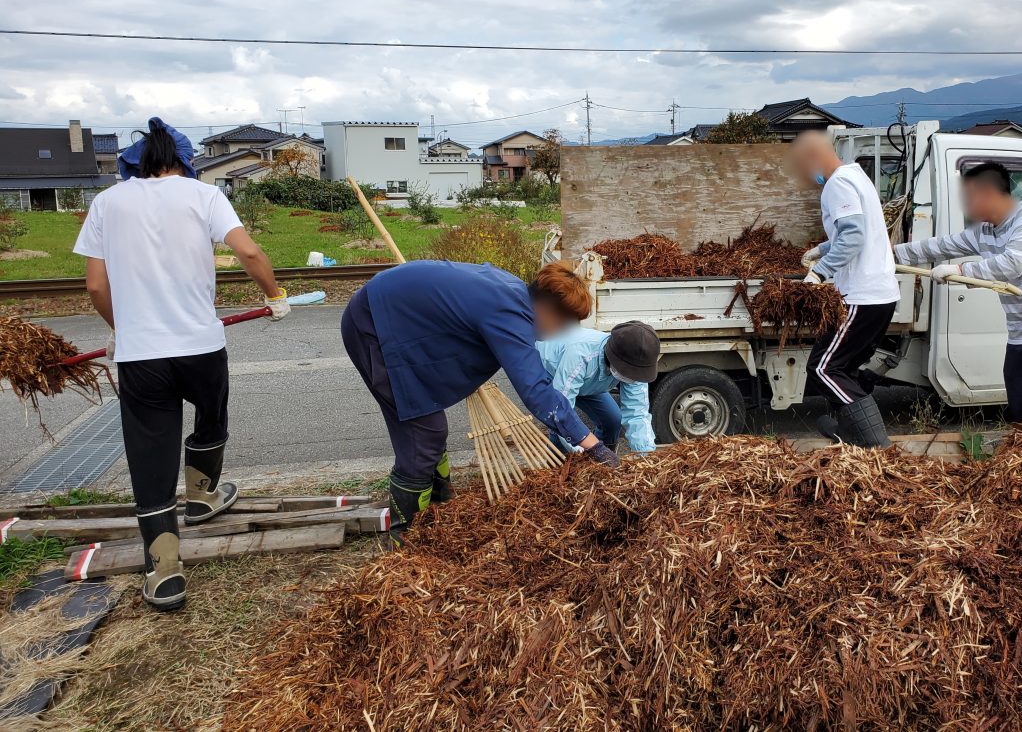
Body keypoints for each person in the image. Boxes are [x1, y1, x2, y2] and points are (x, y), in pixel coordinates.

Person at [74, 118, 289, 611]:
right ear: (186, 160)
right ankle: (203, 496)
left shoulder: (107, 203)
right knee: (212, 416)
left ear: (135, 164)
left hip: (141, 356)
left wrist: (119, 328)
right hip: (200, 345)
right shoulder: (203, 195)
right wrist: (275, 296)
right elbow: (250, 252)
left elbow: (96, 287)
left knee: (150, 453)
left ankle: (165, 571)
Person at [340, 259, 621, 543]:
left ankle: (439, 509)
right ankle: (405, 541)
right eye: (562, 324)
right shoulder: (509, 313)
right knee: (422, 437)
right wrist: (592, 445)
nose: (559, 333)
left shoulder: (513, 292)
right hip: (375, 325)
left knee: (433, 430)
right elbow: (537, 392)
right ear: (546, 308)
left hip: (397, 320)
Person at [895, 161, 1022, 421]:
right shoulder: (983, 232)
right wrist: (887, 255)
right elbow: (936, 247)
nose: (965, 206)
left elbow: (1013, 263)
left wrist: (961, 270)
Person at [791, 132, 899, 448]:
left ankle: (875, 444)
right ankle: (851, 436)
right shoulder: (856, 176)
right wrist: (823, 249)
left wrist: (819, 274)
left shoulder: (837, 184)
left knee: (823, 368)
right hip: (880, 295)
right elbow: (852, 230)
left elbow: (853, 237)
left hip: (860, 296)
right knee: (845, 368)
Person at [529, 263, 660, 453]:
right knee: (561, 427)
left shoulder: (635, 362)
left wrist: (646, 455)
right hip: (552, 370)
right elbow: (561, 410)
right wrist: (584, 453)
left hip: (589, 382)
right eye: (628, 371)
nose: (632, 377)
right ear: (613, 357)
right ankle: (560, 465)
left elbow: (637, 414)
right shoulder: (580, 355)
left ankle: (605, 461)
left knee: (612, 421)